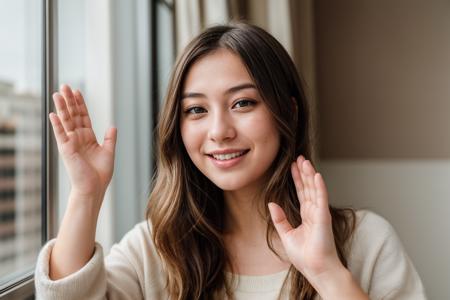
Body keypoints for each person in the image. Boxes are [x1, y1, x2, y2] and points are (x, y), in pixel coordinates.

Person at [34, 23, 426, 300]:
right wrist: (86, 194)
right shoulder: (155, 249)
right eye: (196, 110)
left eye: (243, 103)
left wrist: (326, 271)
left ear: (287, 112)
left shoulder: (366, 242)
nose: (219, 131)